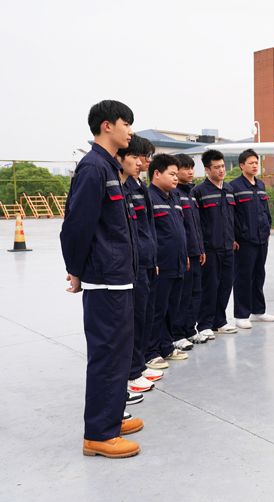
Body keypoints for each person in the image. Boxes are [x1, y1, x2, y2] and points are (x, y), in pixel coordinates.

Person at [60, 100, 143, 458]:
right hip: (105, 279)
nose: (131, 131)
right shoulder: (93, 168)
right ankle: (98, 434)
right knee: (107, 355)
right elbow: (76, 226)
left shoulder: (109, 167)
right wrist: (77, 270)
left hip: (118, 277)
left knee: (118, 354)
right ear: (107, 125)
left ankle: (111, 418)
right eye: (127, 123)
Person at [119, 135, 163, 396]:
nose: (143, 162)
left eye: (144, 157)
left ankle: (139, 365)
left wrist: (152, 258)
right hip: (132, 263)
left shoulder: (138, 185)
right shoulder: (123, 186)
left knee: (144, 315)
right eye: (137, 157)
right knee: (133, 319)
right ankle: (132, 371)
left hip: (146, 259)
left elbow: (147, 228)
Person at [145, 154, 190, 370]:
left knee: (173, 307)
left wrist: (185, 256)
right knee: (157, 309)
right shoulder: (149, 198)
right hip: (161, 266)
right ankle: (151, 351)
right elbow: (148, 233)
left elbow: (179, 231)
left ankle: (166, 346)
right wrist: (153, 260)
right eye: (171, 174)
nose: (175, 178)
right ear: (156, 173)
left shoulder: (173, 198)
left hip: (177, 262)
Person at [230, 149, 274, 329]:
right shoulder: (234, 187)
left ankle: (258, 311)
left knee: (259, 274)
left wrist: (268, 228)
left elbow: (265, 210)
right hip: (244, 240)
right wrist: (234, 236)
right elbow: (231, 215)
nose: (255, 166)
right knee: (243, 276)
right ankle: (241, 315)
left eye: (256, 163)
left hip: (261, 238)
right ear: (242, 165)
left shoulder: (261, 185)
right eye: (251, 163)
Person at [193, 149, 237, 337]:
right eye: (216, 167)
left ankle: (220, 321)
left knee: (226, 285)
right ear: (207, 170)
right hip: (210, 248)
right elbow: (196, 222)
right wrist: (200, 246)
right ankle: (205, 324)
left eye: (223, 166)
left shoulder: (229, 189)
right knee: (210, 287)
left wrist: (234, 238)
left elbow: (232, 217)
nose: (221, 170)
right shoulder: (199, 192)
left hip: (228, 247)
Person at [174, 153, 208, 344]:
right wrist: (185, 253)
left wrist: (201, 248)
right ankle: (178, 334)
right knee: (183, 295)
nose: (190, 172)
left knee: (196, 293)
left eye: (191, 168)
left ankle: (190, 329)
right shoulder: (175, 195)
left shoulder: (191, 194)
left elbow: (197, 225)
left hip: (196, 253)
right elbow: (179, 229)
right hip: (184, 254)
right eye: (185, 168)